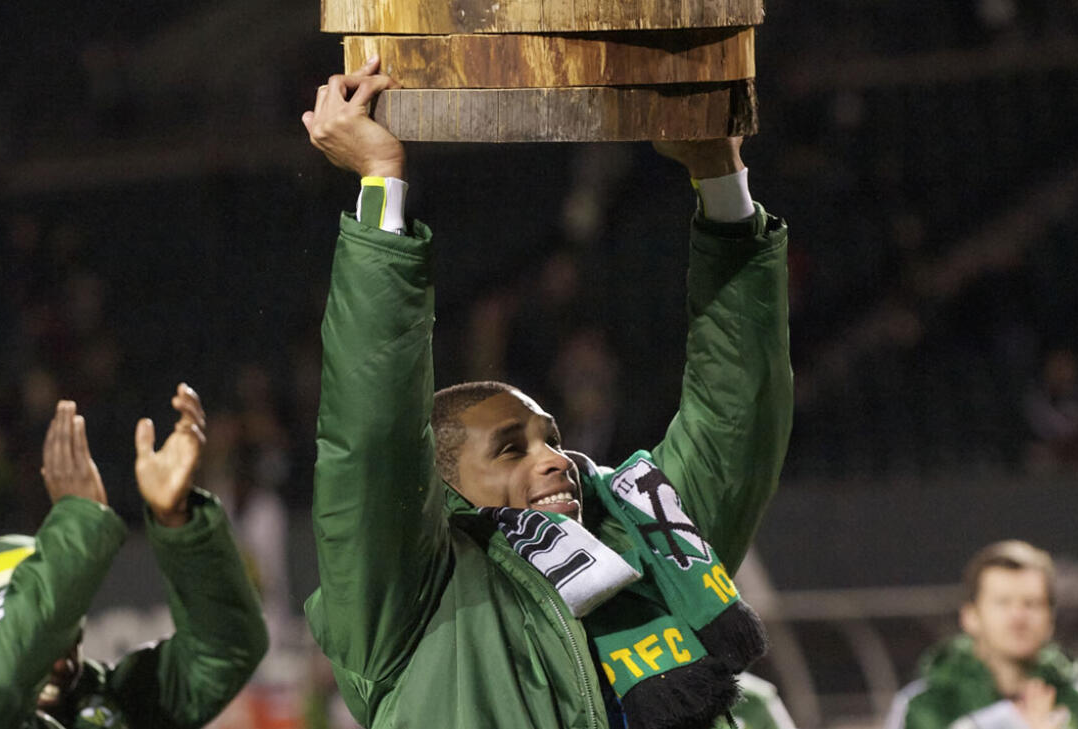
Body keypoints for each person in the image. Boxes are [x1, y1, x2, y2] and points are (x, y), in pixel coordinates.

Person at [302, 58, 793, 729]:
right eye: (510, 449)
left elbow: (738, 406)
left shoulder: (646, 533)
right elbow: (371, 432)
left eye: (550, 438)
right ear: (441, 488)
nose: (554, 457)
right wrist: (381, 186)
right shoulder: (409, 595)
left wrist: (719, 177)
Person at [0, 383, 269, 729]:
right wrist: (79, 523)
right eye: (45, 645)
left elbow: (224, 653)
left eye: (70, 641)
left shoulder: (102, 704)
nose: (63, 666)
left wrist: (180, 523)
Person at [885, 540, 1078, 729]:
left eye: (1031, 604)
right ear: (970, 616)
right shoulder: (922, 707)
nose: (1018, 616)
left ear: (1050, 619)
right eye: (1002, 603)